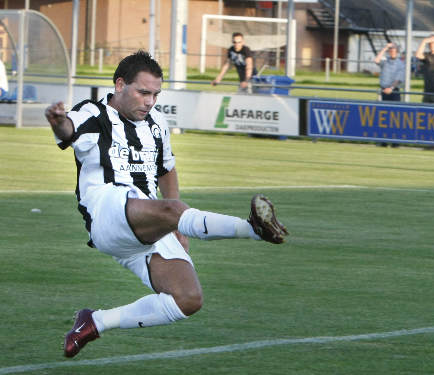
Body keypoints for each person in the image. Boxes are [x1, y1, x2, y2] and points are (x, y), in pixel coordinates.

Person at [44, 51, 289, 358]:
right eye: (143, 92)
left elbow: (166, 169)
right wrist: (58, 124)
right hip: (107, 211)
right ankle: (253, 228)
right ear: (120, 85)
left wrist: (179, 228)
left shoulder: (157, 122)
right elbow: (68, 130)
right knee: (173, 210)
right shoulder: (94, 113)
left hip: (147, 222)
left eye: (155, 94)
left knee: (187, 298)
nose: (149, 101)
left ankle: (95, 322)